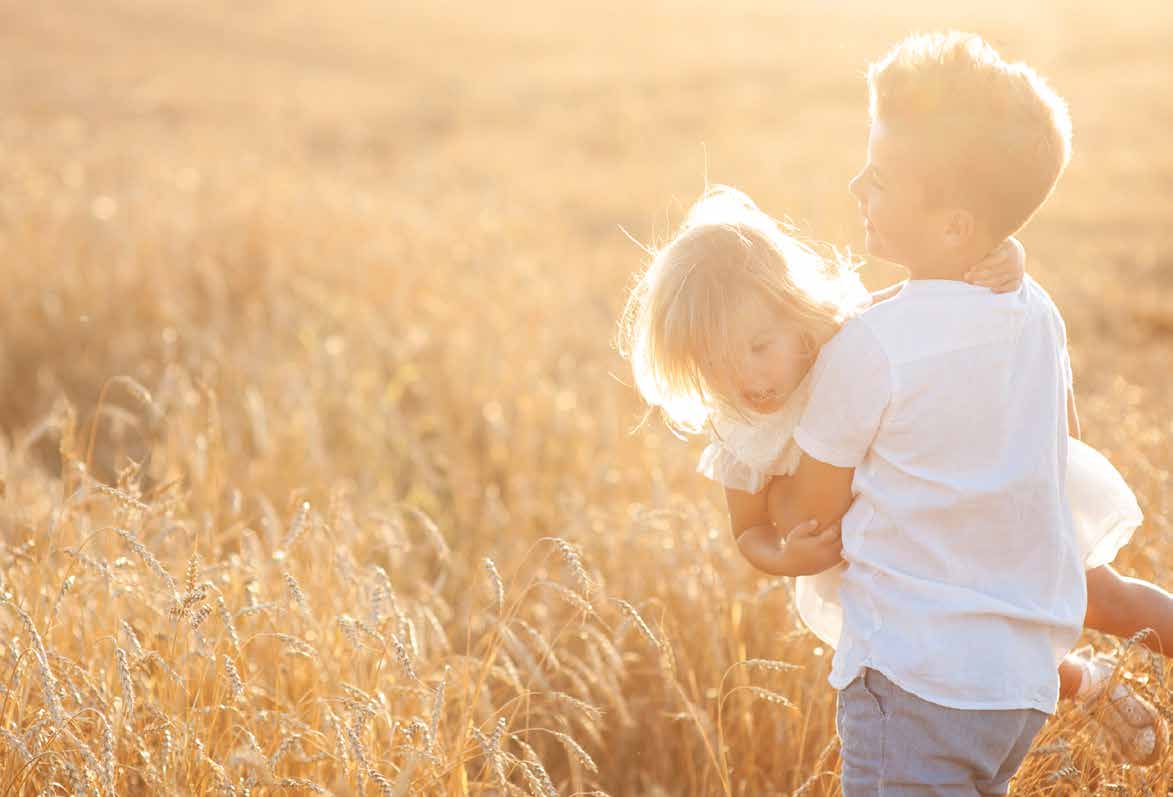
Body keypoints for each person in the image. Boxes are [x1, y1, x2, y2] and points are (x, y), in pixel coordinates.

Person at [618, 33, 1171, 781]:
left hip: (921, 668)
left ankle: (1082, 672)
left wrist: (1005, 252)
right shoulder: (1025, 310)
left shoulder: (853, 340)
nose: (854, 188)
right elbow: (755, 529)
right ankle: (1078, 676)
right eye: (713, 369)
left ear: (790, 309)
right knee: (1053, 589)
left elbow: (831, 482)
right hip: (1002, 647)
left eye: (877, 177)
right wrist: (782, 551)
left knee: (1082, 589)